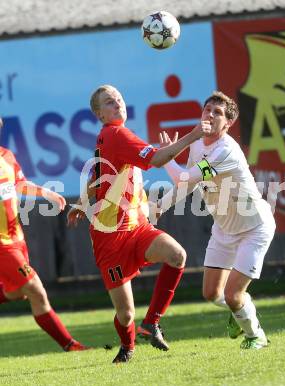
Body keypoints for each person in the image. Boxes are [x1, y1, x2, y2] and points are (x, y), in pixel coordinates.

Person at [67, 85, 210, 364]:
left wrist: (82, 203)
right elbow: (155, 159)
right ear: (99, 114)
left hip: (137, 226)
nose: (117, 103)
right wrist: (194, 135)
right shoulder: (115, 134)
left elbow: (101, 176)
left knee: (176, 255)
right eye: (109, 102)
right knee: (125, 314)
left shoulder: (111, 137)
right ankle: (127, 345)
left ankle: (152, 322)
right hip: (110, 237)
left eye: (119, 98)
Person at [155, 91, 276, 350]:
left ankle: (257, 336)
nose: (210, 114)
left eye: (217, 112)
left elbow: (183, 178)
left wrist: (165, 157)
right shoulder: (198, 144)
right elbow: (188, 184)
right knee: (212, 294)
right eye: (207, 108)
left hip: (254, 228)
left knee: (233, 296)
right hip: (224, 228)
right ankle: (239, 309)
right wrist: (160, 207)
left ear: (228, 124)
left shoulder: (225, 152)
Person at [0, 117, 88, 352]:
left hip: (16, 238)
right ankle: (70, 344)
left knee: (18, 292)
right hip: (2, 246)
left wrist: (46, 193)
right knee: (36, 289)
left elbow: (19, 185)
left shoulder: (6, 155)